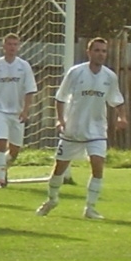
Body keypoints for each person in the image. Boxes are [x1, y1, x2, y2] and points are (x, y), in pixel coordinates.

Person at [36, 37, 127, 219]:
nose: (101, 54)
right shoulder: (76, 72)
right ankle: (52, 199)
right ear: (89, 52)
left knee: (98, 166)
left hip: (97, 130)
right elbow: (60, 98)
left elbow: (117, 100)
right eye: (97, 50)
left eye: (103, 51)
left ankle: (90, 208)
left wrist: (121, 117)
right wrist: (60, 120)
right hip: (73, 130)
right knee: (59, 168)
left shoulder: (109, 77)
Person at [0, 33, 38, 188]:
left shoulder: (24, 66)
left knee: (14, 151)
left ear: (18, 47)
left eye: (15, 44)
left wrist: (25, 111)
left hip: (17, 113)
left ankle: (3, 168)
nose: (12, 47)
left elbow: (30, 90)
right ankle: (0, 180)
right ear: (3, 46)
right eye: (9, 44)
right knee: (1, 142)